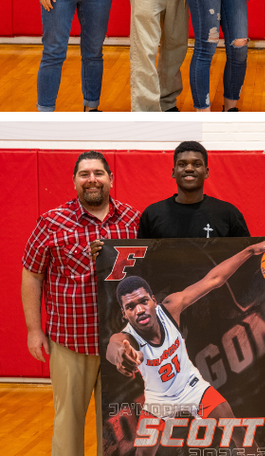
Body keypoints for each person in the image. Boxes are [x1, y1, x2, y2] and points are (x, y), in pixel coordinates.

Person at [21, 152, 141, 456]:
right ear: (74, 181)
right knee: (68, 422)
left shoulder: (133, 220)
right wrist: (34, 330)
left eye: (99, 173)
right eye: (84, 174)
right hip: (71, 342)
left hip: (121, 343)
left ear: (111, 180)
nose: (92, 179)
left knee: (119, 426)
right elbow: (32, 275)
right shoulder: (51, 222)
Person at [105, 238, 265, 425]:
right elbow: (114, 346)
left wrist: (249, 251)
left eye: (143, 301)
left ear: (154, 301)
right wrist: (120, 356)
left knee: (236, 428)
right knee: (143, 453)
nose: (140, 310)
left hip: (192, 387)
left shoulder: (170, 308)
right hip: (159, 398)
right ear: (124, 314)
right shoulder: (126, 337)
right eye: (131, 307)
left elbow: (214, 280)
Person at [138, 141, 250, 238]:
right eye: (182, 164)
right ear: (173, 172)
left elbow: (246, 257)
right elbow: (142, 261)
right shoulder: (152, 215)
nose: (189, 169)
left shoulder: (229, 214)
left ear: (206, 172)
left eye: (197, 164)